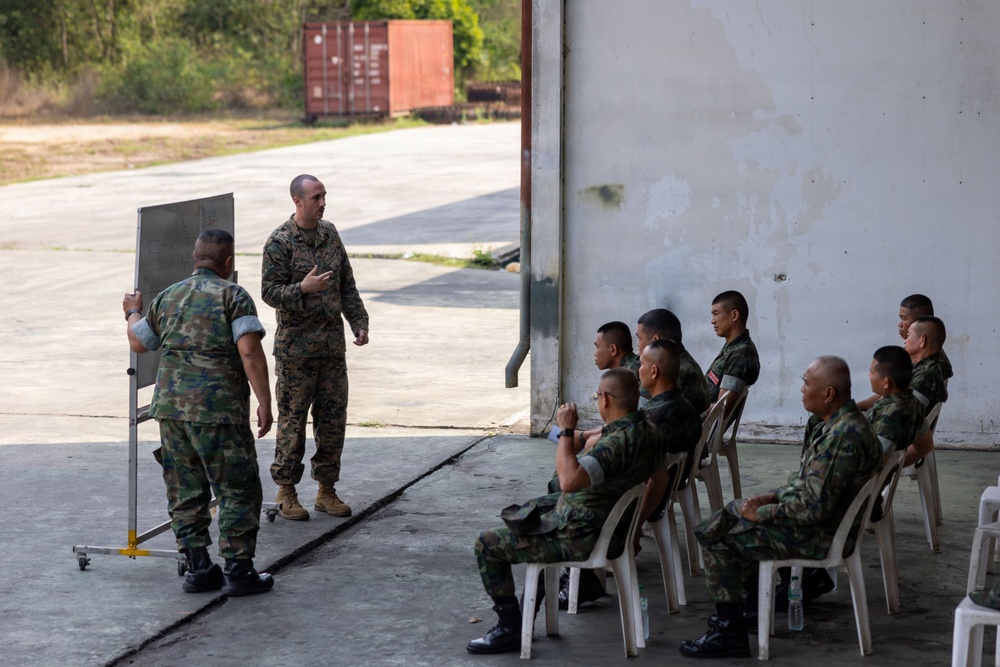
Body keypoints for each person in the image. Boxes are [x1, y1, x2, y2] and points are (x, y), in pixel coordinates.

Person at [678, 356, 881, 659]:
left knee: (722, 541)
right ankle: (747, 610)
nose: (801, 390)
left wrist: (761, 513)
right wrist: (770, 497)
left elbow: (813, 507)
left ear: (828, 394)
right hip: (822, 525)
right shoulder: (841, 426)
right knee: (731, 514)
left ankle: (728, 632)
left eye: (806, 383)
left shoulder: (842, 437)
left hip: (819, 536)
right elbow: (809, 485)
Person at [467, 369, 664, 654]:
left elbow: (568, 481)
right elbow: (661, 480)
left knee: (486, 543)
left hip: (580, 537)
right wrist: (634, 529)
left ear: (605, 400)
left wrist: (567, 431)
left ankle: (509, 628)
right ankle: (524, 618)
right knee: (528, 515)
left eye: (598, 396)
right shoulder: (651, 433)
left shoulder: (615, 445)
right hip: (605, 528)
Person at [123, 230, 274, 597]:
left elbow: (138, 342)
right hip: (218, 412)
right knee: (237, 489)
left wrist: (132, 311)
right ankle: (239, 571)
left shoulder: (168, 296)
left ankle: (198, 569)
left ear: (195, 257)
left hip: (172, 411)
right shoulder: (233, 296)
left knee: (185, 490)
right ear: (228, 262)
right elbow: (250, 354)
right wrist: (266, 402)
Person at [261, 174, 370, 521]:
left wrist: (359, 320)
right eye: (316, 197)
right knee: (292, 423)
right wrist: (301, 289)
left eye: (324, 196)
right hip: (296, 352)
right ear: (298, 201)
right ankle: (286, 491)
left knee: (333, 421)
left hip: (331, 348)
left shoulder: (330, 234)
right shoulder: (279, 242)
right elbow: (268, 292)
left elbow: (347, 282)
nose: (323, 202)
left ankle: (326, 490)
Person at [633, 339, 703, 545]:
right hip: (669, 492)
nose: (638, 370)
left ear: (654, 371)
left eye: (641, 365)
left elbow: (656, 477)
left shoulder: (654, 419)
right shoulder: (687, 409)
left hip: (639, 498)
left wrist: (636, 523)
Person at [622, 308, 711, 413]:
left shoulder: (668, 373)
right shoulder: (684, 363)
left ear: (656, 341)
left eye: (640, 339)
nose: (638, 344)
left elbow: (634, 416)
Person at [902, 316, 948, 466]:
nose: (905, 340)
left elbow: (905, 418)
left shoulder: (926, 377)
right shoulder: (921, 369)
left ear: (922, 340)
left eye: (908, 336)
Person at [706, 290, 760, 407]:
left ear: (734, 315)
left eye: (716, 313)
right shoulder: (732, 347)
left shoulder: (741, 354)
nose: (712, 320)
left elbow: (721, 408)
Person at [897, 294, 953, 381]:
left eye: (904, 318)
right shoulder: (912, 351)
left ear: (919, 321)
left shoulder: (933, 364)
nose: (900, 324)